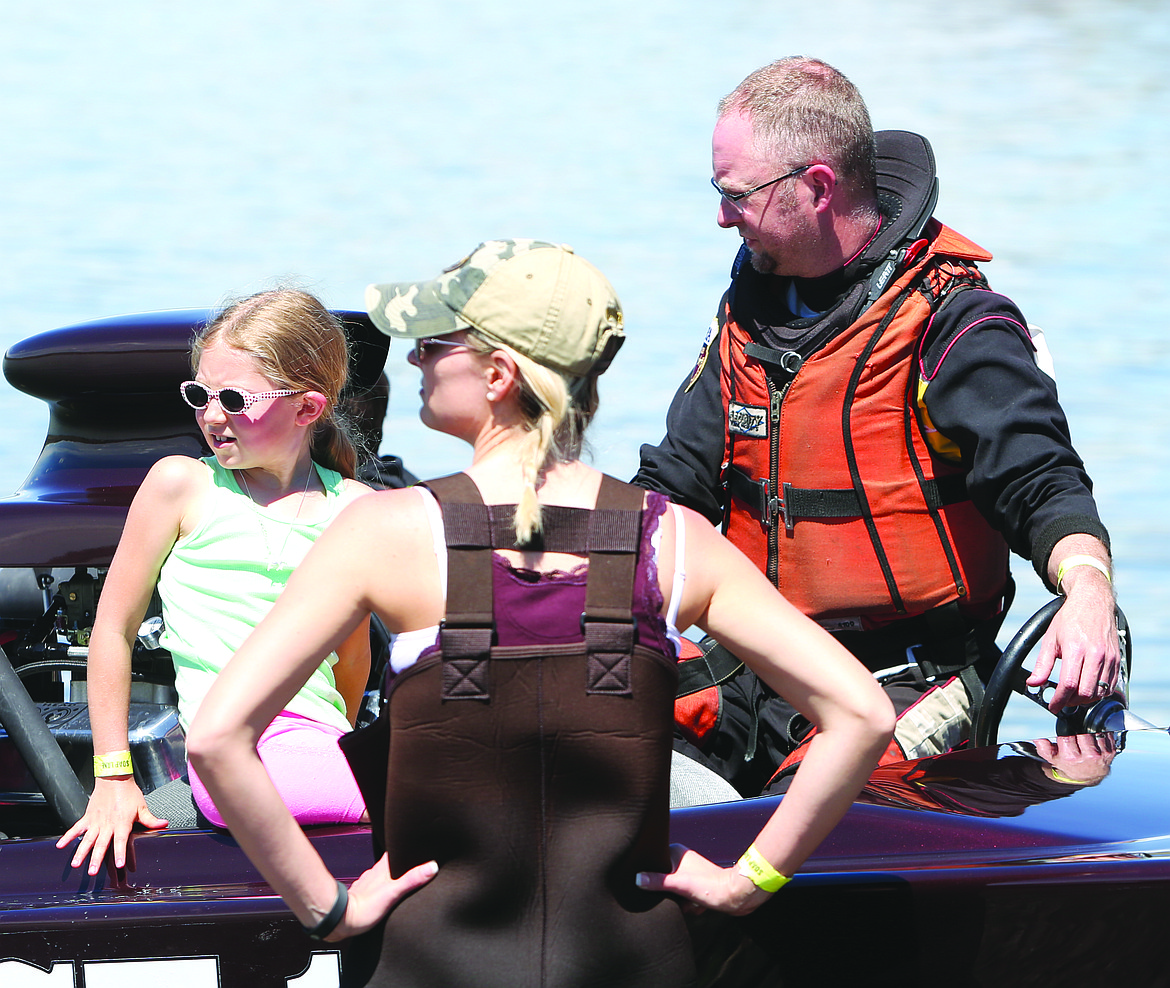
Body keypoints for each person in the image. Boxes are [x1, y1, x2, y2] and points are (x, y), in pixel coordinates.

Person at [187, 239, 894, 988]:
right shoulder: (674, 540)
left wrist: (325, 906)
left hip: (430, 964)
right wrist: (750, 880)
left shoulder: (384, 530)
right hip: (632, 964)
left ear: (498, 374)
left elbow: (217, 737)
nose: (414, 362)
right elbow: (862, 715)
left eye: (432, 344)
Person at [636, 56, 1119, 795]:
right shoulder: (748, 310)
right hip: (754, 664)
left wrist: (1088, 594)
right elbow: (673, 488)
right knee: (585, 743)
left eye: (735, 195)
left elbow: (1043, 483)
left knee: (806, 819)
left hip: (910, 680)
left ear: (818, 188)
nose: (721, 217)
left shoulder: (953, 320)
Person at [58, 289, 372, 876]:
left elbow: (354, 662)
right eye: (200, 395)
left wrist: (330, 740)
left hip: (314, 743)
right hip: (225, 748)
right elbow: (113, 630)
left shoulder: (355, 508)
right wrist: (114, 776)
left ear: (307, 410)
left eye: (233, 398)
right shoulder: (181, 486)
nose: (212, 414)